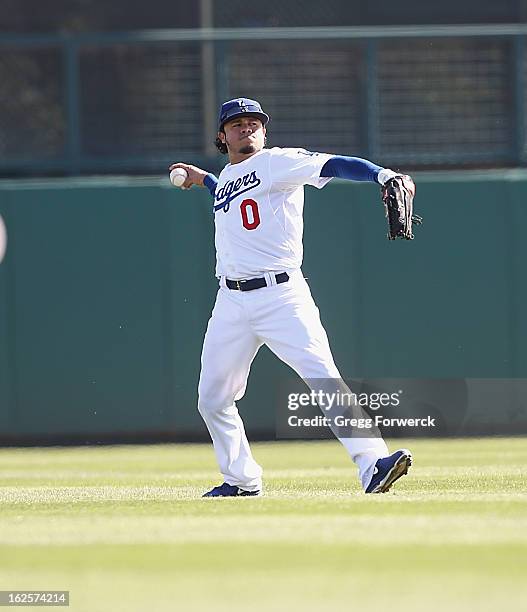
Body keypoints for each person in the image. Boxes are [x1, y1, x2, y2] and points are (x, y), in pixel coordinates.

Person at [169, 97, 412, 497]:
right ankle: (242, 481)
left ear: (264, 131)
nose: (246, 128)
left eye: (254, 122)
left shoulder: (278, 162)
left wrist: (382, 175)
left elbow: (334, 164)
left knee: (323, 376)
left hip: (281, 294)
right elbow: (233, 200)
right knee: (212, 399)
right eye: (236, 123)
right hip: (230, 302)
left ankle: (373, 465)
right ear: (221, 136)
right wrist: (205, 180)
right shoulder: (229, 178)